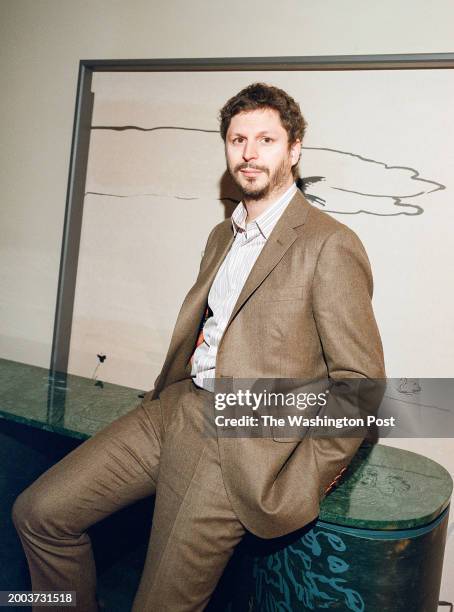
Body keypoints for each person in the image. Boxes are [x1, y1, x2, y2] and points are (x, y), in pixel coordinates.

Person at [12, 83, 385, 611]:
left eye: (266, 139)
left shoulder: (329, 244)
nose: (249, 153)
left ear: (294, 149)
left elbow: (360, 388)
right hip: (174, 410)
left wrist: (295, 481)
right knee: (40, 512)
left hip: (237, 437)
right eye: (237, 140)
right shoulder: (221, 235)